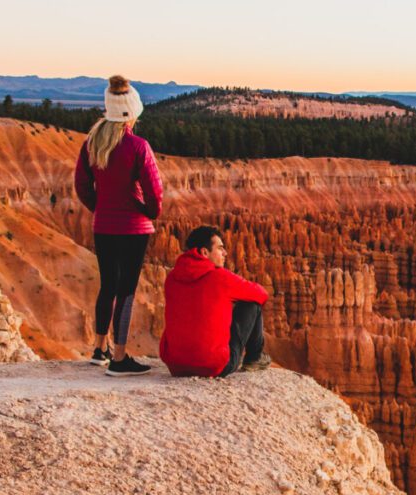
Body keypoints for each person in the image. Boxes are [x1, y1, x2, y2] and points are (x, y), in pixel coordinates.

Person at [74, 74, 163, 376]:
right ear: (132, 112)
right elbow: (154, 190)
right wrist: (149, 211)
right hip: (133, 229)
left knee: (108, 285)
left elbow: (82, 186)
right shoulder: (138, 146)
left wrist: (100, 207)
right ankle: (120, 358)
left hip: (104, 226)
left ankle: (100, 349)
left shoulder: (91, 144)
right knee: (126, 289)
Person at [160, 226, 271, 377]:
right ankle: (254, 359)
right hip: (213, 366)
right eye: (220, 248)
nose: (225, 253)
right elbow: (261, 294)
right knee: (251, 304)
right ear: (205, 252)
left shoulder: (172, 278)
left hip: (175, 365)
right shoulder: (220, 277)